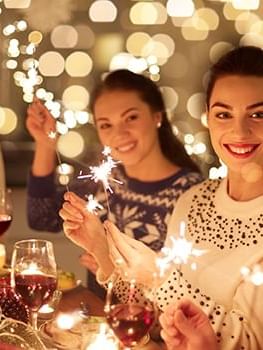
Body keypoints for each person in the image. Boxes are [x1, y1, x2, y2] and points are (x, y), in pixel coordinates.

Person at [60, 46, 263, 349]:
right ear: (208, 119)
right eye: (224, 114)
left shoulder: (183, 188)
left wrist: (159, 276)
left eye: (258, 114)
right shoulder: (195, 201)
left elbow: (249, 341)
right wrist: (103, 251)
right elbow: (154, 322)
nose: (239, 130)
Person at [26, 69, 202, 295]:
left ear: (157, 116)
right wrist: (44, 143)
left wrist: (108, 265)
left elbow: (185, 298)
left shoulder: (192, 194)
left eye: (131, 117)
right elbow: (41, 216)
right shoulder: (103, 180)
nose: (119, 133)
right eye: (106, 124)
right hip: (96, 324)